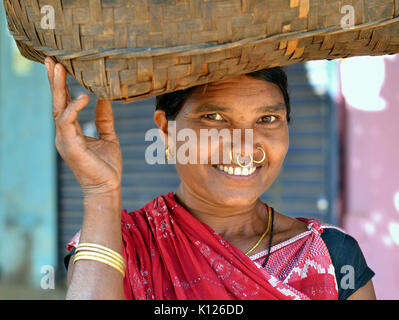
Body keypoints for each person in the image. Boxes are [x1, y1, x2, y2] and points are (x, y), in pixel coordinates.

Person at [44, 56, 376, 300]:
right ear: (167, 130)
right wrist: (101, 190)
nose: (244, 145)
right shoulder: (119, 244)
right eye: (214, 117)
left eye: (268, 118)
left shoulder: (330, 254)